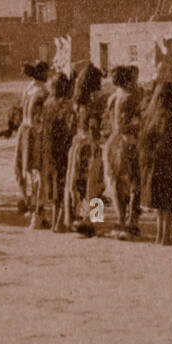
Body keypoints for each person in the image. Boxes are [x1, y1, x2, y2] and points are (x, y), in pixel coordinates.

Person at [139, 81, 172, 246]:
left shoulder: (151, 115)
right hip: (170, 161)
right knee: (168, 204)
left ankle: (159, 236)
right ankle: (165, 236)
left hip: (154, 163)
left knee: (159, 205)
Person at [63, 65, 106, 234]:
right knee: (94, 184)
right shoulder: (93, 105)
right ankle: (93, 220)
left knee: (76, 182)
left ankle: (75, 216)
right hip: (90, 146)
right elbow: (94, 129)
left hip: (77, 144)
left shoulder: (76, 104)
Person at [103, 65, 144, 239]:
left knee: (117, 184)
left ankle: (119, 220)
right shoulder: (130, 98)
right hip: (128, 142)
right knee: (135, 182)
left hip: (113, 142)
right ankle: (131, 221)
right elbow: (125, 125)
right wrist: (140, 123)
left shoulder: (113, 97)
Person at [39, 72, 75, 231]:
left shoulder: (48, 103)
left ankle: (56, 221)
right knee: (66, 183)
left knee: (53, 182)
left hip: (49, 146)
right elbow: (70, 128)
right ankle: (91, 219)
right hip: (63, 147)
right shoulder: (66, 106)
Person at [13, 61, 49, 218]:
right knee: (37, 168)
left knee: (23, 167)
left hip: (24, 130)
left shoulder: (28, 88)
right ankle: (36, 203)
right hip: (35, 131)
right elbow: (40, 116)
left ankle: (25, 199)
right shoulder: (42, 91)